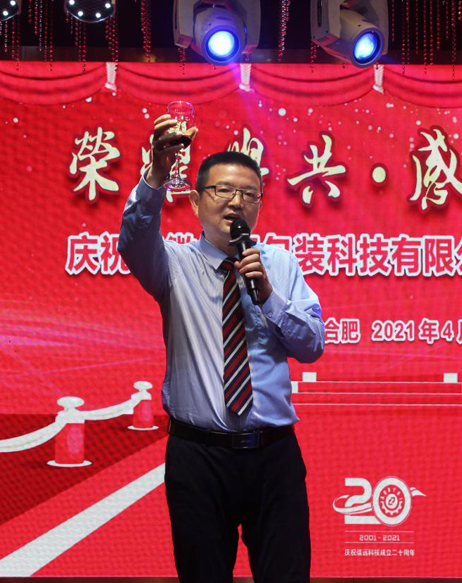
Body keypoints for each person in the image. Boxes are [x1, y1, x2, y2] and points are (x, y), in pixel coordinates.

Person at [117, 113, 325, 583]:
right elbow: (133, 238)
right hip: (199, 457)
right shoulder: (171, 265)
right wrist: (156, 174)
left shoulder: (279, 264)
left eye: (248, 194)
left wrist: (269, 296)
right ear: (195, 201)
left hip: (274, 455)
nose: (236, 202)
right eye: (223, 191)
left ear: (259, 205)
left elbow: (312, 345)